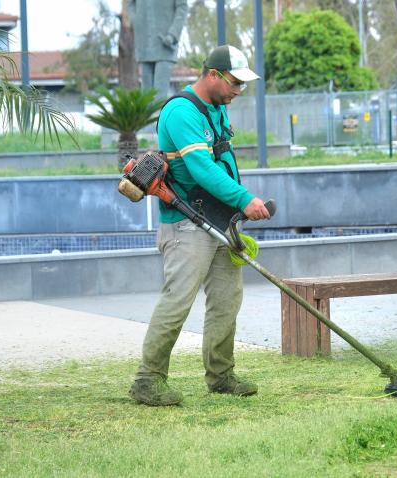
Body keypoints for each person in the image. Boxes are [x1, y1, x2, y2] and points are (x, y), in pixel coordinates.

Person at [129, 45, 271, 406]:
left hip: (220, 222)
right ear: (212, 75)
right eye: (235, 82)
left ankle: (221, 376)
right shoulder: (181, 111)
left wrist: (235, 210)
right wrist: (245, 199)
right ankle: (147, 381)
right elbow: (202, 170)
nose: (239, 90)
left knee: (226, 300)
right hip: (187, 223)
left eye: (243, 84)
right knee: (177, 301)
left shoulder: (217, 109)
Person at [128, 0, 188, 98]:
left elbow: (182, 8)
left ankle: (160, 109)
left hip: (165, 44)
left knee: (160, 95)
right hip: (144, 42)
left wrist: (173, 34)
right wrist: (135, 20)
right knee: (146, 95)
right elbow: (130, 4)